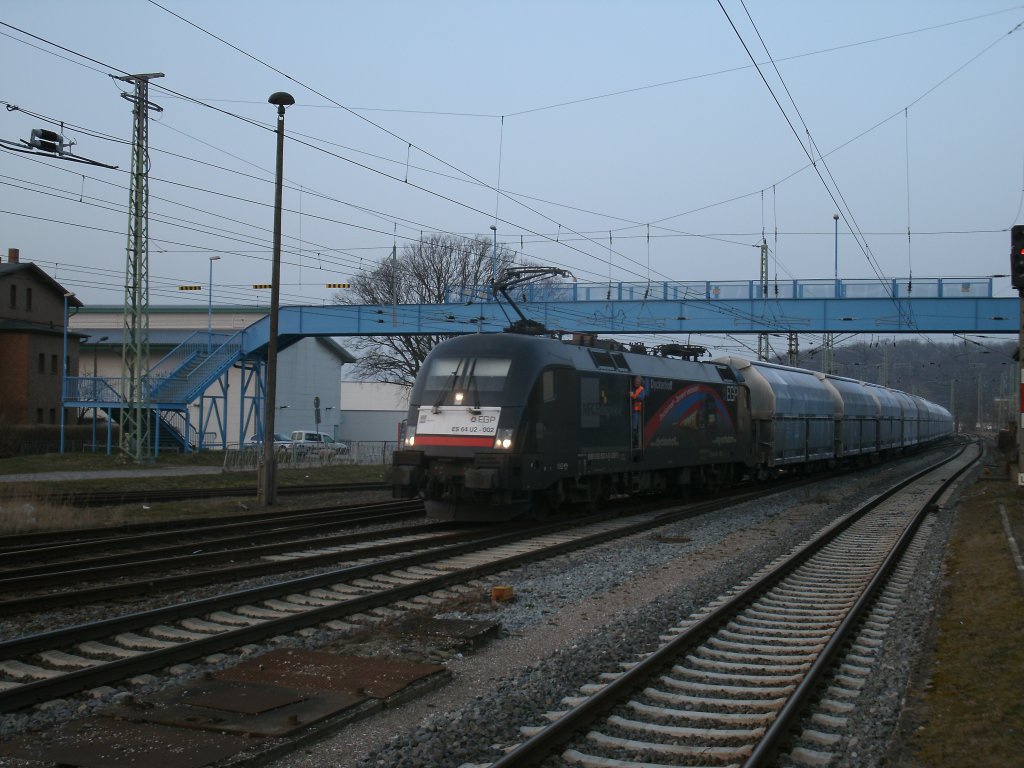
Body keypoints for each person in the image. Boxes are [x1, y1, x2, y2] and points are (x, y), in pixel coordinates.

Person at [629, 375, 645, 447]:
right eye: (635, 381)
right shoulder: (631, 388)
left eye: (638, 381)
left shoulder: (641, 389)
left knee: (634, 427)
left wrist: (633, 396)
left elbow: (641, 398)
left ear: (640, 382)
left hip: (636, 411)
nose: (636, 382)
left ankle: (634, 441)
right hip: (629, 409)